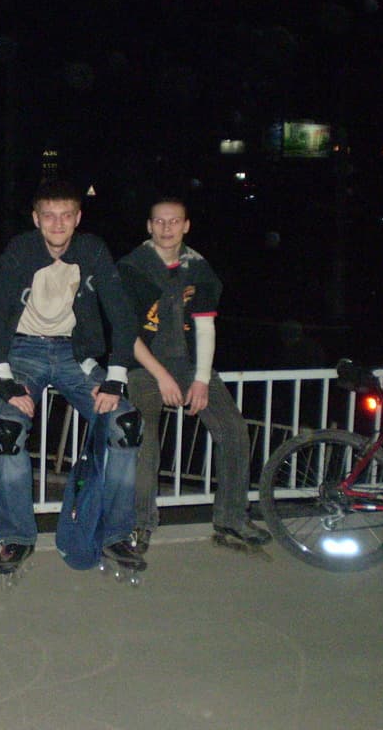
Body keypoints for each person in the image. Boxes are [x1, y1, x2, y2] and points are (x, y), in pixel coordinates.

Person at [0, 179, 144, 581]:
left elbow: (122, 315)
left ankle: (116, 534)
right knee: (7, 429)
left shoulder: (92, 251)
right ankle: (16, 535)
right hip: (23, 351)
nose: (57, 223)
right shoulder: (21, 251)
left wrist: (115, 377)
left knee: (125, 423)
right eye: (48, 215)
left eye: (66, 215)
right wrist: (3, 381)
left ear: (78, 218)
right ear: (36, 219)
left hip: (75, 354)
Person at [118, 197, 270, 556]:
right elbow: (127, 335)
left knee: (233, 428)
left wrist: (201, 379)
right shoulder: (130, 269)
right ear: (149, 226)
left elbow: (204, 327)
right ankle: (140, 523)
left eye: (174, 221)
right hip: (144, 365)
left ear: (186, 226)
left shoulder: (199, 269)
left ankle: (232, 518)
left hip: (188, 363)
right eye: (159, 221)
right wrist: (162, 377)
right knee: (144, 435)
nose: (166, 228)